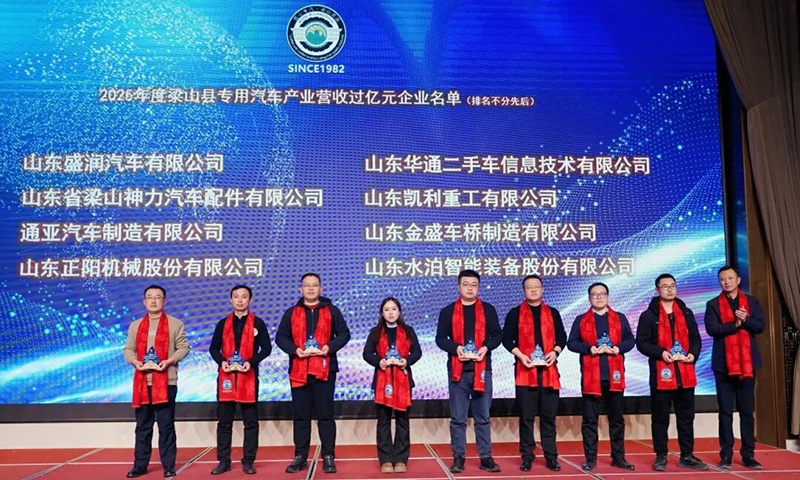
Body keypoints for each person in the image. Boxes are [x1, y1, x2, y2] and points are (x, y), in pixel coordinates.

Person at [276, 273, 351, 474]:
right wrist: (295, 350)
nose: (310, 289)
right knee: (301, 416)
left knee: (325, 415)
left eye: (314, 285)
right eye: (307, 285)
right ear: (300, 289)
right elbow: (281, 337)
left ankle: (328, 456)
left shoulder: (332, 310)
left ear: (320, 289)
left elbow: (344, 334)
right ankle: (300, 456)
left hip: (325, 370)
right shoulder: (291, 312)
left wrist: (329, 347)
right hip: (299, 370)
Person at [636, 274, 707, 471]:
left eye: (672, 285)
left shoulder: (686, 313)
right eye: (665, 286)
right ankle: (661, 456)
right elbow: (642, 343)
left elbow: (696, 339)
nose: (669, 289)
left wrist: (692, 354)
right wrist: (661, 353)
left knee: (686, 417)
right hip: (662, 374)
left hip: (685, 373)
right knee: (660, 418)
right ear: (657, 290)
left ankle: (687, 455)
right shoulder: (649, 315)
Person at [435, 270, 503, 473]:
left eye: (474, 285)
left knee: (483, 417)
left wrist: (485, 348)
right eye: (465, 284)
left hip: (482, 370)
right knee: (458, 418)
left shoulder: (488, 310)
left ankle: (486, 457)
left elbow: (497, 335)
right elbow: (440, 338)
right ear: (459, 286)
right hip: (458, 371)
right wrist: (456, 348)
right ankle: (458, 457)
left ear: (478, 287)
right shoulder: (448, 311)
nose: (470, 288)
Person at [567, 282, 635, 472]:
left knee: (617, 420)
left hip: (614, 377)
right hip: (592, 378)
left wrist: (618, 348)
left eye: (602, 294)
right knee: (590, 421)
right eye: (594, 295)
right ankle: (590, 459)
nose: (599, 297)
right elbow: (571, 343)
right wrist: (589, 348)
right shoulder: (581, 319)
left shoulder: (619, 318)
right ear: (589, 298)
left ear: (608, 296)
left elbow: (631, 340)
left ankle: (618, 457)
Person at [123, 285, 190, 478]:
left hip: (166, 382)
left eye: (158, 297)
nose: (153, 301)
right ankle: (140, 466)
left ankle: (168, 465)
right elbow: (128, 349)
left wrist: (169, 361)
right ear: (144, 301)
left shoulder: (175, 324)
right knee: (143, 426)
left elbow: (183, 348)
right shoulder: (135, 325)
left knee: (166, 425)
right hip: (143, 383)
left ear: (164, 301)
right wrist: (135, 362)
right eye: (150, 297)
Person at [502, 274, 565, 472]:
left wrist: (555, 352)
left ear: (542, 289)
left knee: (549, 418)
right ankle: (527, 456)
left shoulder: (553, 313)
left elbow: (562, 337)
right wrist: (520, 355)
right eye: (529, 287)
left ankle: (551, 456)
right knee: (526, 418)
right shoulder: (515, 313)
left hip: (549, 372)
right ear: (524, 291)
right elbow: (507, 339)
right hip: (525, 371)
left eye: (536, 286)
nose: (533, 290)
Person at [705, 265, 765, 470]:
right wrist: (735, 325)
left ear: (738, 280)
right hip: (723, 365)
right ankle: (726, 454)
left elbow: (760, 326)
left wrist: (745, 320)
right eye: (723, 279)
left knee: (747, 411)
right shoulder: (713, 304)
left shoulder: (751, 302)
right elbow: (712, 329)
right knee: (725, 412)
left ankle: (748, 454)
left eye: (730, 278)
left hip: (747, 364)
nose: (726, 282)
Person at [209, 285, 272, 475]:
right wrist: (222, 362)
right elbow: (213, 348)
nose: (240, 300)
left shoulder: (258, 323)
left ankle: (249, 461)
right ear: (231, 300)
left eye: (244, 297)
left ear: (250, 300)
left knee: (250, 422)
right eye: (236, 296)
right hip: (226, 377)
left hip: (248, 377)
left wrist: (250, 363)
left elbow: (266, 348)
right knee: (224, 422)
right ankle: (223, 461)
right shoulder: (223, 323)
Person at [362, 297, 422, 473]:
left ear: (399, 311)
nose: (390, 312)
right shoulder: (375, 332)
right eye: (386, 309)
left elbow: (417, 351)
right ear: (382, 313)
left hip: (403, 381)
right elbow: (367, 353)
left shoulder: (408, 331)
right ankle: (386, 459)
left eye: (394, 309)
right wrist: (379, 361)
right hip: (383, 381)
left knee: (402, 421)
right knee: (383, 421)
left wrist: (406, 360)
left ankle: (401, 459)